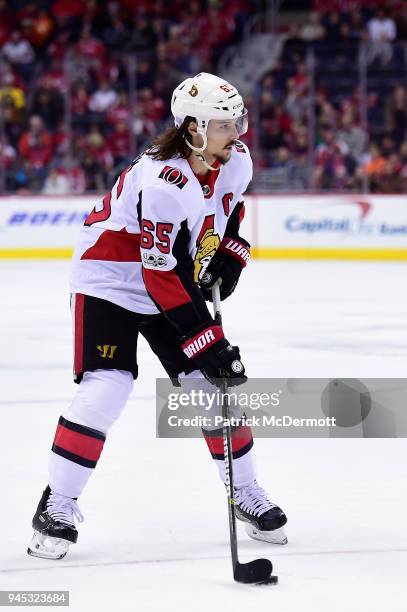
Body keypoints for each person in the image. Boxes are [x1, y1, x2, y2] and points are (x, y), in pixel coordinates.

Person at [27, 72, 287, 560]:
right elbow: (159, 275)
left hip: (164, 275)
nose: (238, 132)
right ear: (193, 128)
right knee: (108, 387)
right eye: (224, 124)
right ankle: (57, 504)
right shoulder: (164, 180)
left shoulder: (235, 160)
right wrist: (205, 341)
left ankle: (245, 492)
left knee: (212, 392)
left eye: (237, 121)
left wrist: (232, 250)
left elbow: (227, 211)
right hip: (109, 281)